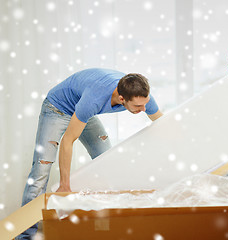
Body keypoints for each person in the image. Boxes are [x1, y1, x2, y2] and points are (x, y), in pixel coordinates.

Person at [17, 68, 163, 240]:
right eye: (138, 106)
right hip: (57, 108)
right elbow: (68, 140)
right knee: (41, 168)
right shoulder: (95, 98)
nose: (144, 109)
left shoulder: (142, 97)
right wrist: (65, 184)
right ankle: (25, 236)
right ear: (122, 98)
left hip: (81, 108)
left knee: (106, 159)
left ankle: (104, 224)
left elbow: (162, 124)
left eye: (145, 104)